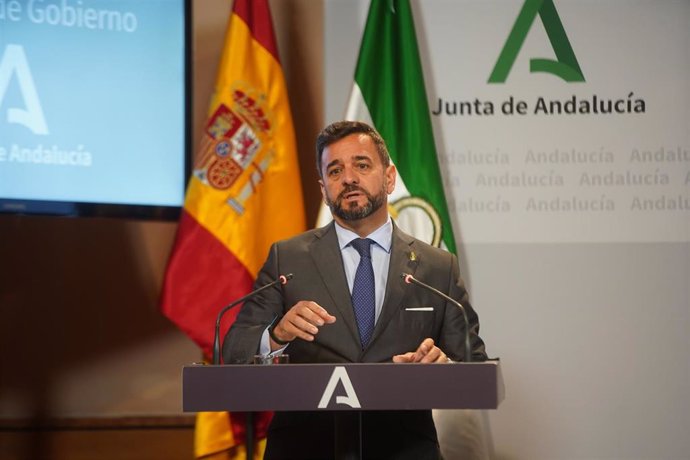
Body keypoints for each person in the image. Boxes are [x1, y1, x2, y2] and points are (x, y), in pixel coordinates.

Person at [223, 120, 487, 459]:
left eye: (361, 165)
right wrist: (274, 336)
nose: (348, 178)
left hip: (403, 449)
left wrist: (443, 365)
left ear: (389, 177)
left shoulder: (437, 267)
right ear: (323, 189)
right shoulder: (286, 259)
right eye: (335, 171)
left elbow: (475, 367)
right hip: (305, 448)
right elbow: (231, 351)